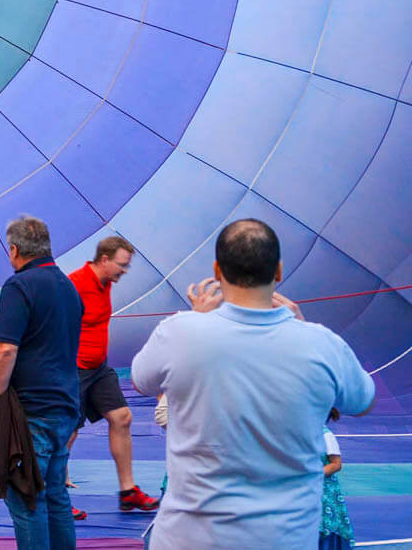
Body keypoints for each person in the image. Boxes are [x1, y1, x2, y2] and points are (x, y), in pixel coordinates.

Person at [132, 219, 375, 550]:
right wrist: (305, 327)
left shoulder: (177, 333)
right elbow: (362, 401)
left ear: (217, 271)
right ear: (278, 271)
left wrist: (194, 320)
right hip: (283, 539)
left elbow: (141, 381)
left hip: (187, 538)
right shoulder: (322, 344)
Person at [0, 215, 83, 550]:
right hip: (66, 406)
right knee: (56, 496)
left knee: (27, 499)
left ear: (14, 250)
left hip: (32, 411)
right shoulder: (69, 287)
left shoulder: (19, 287)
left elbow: (4, 350)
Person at [66, 237, 158, 511]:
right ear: (104, 260)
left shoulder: (106, 283)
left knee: (122, 417)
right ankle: (55, 494)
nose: (124, 272)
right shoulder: (75, 284)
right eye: (122, 265)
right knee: (68, 431)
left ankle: (128, 491)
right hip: (76, 368)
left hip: (99, 367)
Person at [320, 409, 354, 550]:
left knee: (326, 524)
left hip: (325, 491)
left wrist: (313, 475)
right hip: (303, 487)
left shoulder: (326, 435)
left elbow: (336, 464)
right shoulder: (302, 433)